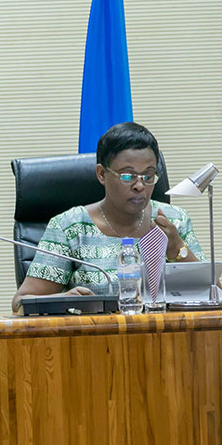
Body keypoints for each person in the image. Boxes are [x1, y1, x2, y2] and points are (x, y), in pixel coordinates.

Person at [12, 122, 204, 312]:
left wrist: (177, 248)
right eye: (128, 176)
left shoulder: (174, 220)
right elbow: (20, 302)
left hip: (166, 338)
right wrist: (64, 300)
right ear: (102, 174)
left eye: (148, 176)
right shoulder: (70, 227)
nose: (139, 185)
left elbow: (213, 293)